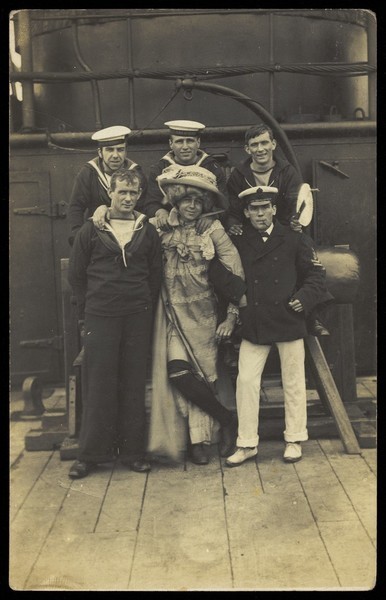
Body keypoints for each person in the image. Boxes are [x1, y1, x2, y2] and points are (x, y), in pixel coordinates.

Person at [226, 185, 333, 467]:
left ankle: (294, 438)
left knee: (294, 381)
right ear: (246, 213)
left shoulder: (294, 238)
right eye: (254, 209)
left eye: (265, 208)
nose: (260, 214)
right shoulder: (237, 240)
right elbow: (222, 270)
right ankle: (247, 443)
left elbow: (316, 274)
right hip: (255, 321)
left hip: (288, 317)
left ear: (274, 209)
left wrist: (303, 299)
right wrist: (240, 295)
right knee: (246, 381)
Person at [147, 164, 246, 465]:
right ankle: (224, 418)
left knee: (204, 376)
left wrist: (230, 318)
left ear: (205, 204)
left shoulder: (213, 230)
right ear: (175, 200)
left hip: (204, 316)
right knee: (178, 371)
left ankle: (199, 442)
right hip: (170, 314)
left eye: (198, 201)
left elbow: (235, 274)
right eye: (186, 199)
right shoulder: (159, 226)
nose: (192, 206)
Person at [67, 169, 162, 479]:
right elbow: (77, 277)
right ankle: (91, 455)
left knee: (134, 382)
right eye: (122, 192)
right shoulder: (91, 230)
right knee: (99, 383)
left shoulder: (147, 232)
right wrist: (92, 309)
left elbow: (155, 276)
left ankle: (134, 452)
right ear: (110, 191)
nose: (127, 198)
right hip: (100, 316)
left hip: (136, 316)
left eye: (133, 193)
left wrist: (141, 304)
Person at [226, 123, 329, 336]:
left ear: (273, 144)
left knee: (304, 251)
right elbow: (233, 207)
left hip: (282, 227)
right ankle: (235, 322)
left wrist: (292, 222)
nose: (260, 149)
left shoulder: (287, 171)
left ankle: (312, 315)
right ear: (247, 149)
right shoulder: (239, 174)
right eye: (254, 144)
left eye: (265, 142)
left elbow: (295, 203)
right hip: (252, 229)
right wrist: (233, 224)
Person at [141, 120, 228, 232]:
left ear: (198, 142)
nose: (185, 147)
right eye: (179, 142)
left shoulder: (212, 167)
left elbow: (224, 202)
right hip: (170, 227)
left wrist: (212, 216)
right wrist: (160, 211)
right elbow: (151, 202)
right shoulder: (159, 169)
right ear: (170, 143)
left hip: (202, 228)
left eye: (190, 141)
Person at [67, 125, 147, 245]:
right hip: (97, 235)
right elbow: (76, 207)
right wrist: (79, 238)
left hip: (129, 234)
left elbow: (142, 208)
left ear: (126, 151)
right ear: (100, 152)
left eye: (120, 150)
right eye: (109, 149)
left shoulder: (135, 173)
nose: (115, 155)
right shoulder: (89, 172)